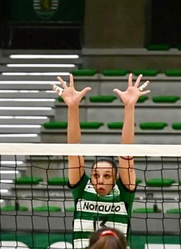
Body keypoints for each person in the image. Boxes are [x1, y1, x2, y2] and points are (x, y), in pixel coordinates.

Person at [52, 74, 150, 249]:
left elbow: (127, 152)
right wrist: (72, 107)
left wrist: (129, 107)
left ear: (115, 178)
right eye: (96, 175)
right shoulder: (82, 190)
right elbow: (74, 150)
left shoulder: (123, 193)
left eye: (107, 175)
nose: (100, 179)